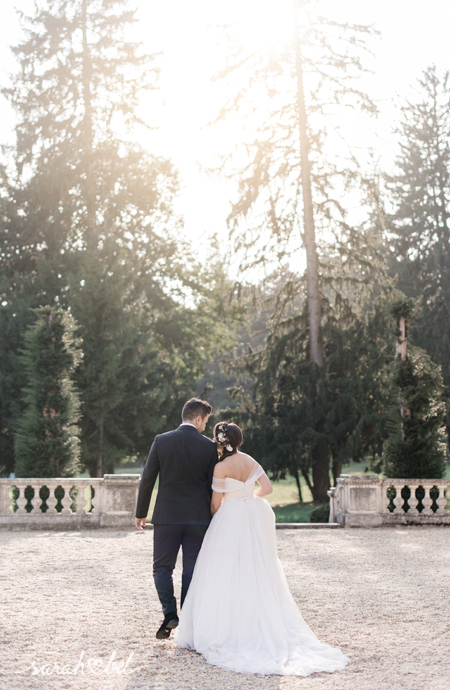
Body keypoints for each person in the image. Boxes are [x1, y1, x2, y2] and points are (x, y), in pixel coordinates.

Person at [176, 422, 350, 677]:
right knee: (256, 564)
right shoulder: (249, 460)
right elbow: (267, 489)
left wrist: (225, 511)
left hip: (230, 517)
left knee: (225, 567)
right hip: (253, 514)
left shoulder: (220, 467)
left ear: (221, 442)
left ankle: (228, 623)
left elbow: (215, 504)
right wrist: (249, 499)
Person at [135, 398, 218, 640]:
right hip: (198, 520)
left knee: (162, 568)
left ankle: (170, 613)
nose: (205, 428)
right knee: (192, 570)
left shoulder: (161, 441)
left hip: (166, 518)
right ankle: (189, 621)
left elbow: (148, 478)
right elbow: (214, 486)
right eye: (205, 422)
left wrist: (141, 512)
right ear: (198, 418)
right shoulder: (209, 447)